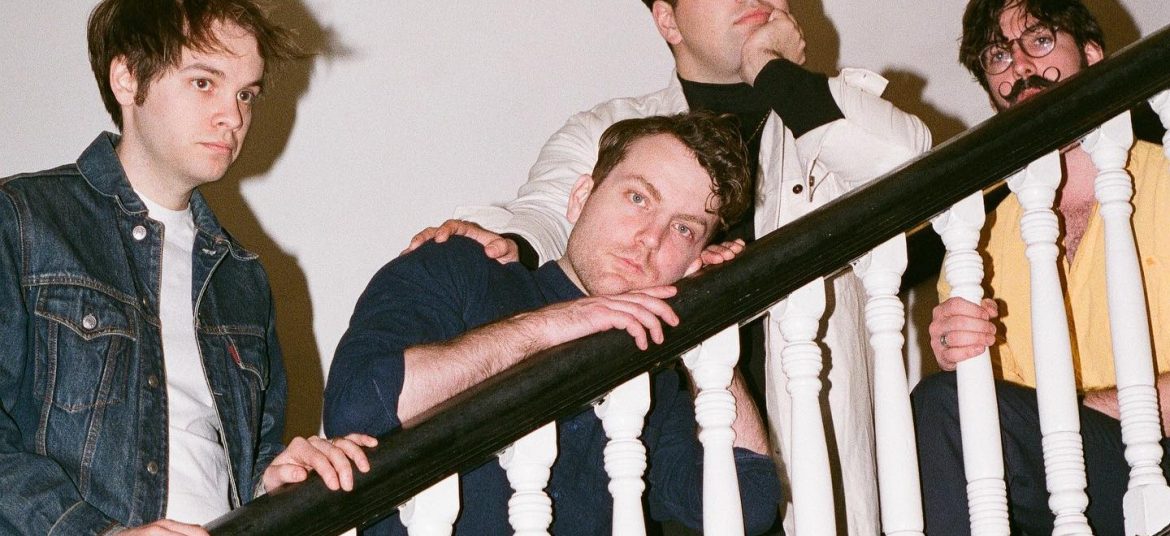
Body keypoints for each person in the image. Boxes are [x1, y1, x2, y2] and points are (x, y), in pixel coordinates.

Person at [405, 1, 932, 532]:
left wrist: (772, 70)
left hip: (805, 473)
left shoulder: (828, 109)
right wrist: (505, 243)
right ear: (667, 20)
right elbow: (548, 212)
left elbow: (914, 170)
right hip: (659, 466)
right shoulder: (609, 128)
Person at [0, 1, 376, 534]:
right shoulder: (21, 222)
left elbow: (240, 461)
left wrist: (269, 480)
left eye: (246, 93)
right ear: (128, 79)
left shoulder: (242, 278)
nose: (234, 116)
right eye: (204, 83)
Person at [324, 112, 781, 535]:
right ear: (581, 197)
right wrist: (554, 324)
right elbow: (357, 408)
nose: (650, 238)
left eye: (684, 229)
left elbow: (751, 504)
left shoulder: (652, 376)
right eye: (638, 198)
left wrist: (705, 324)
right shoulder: (462, 269)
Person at [912, 1, 1170, 534]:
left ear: (1093, 57)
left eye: (1041, 40)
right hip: (1067, 486)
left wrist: (1082, 411)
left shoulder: (1165, 177)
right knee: (941, 404)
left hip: (1161, 456)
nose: (1022, 66)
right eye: (998, 56)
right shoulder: (975, 244)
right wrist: (960, 359)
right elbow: (997, 430)